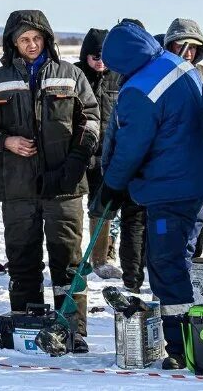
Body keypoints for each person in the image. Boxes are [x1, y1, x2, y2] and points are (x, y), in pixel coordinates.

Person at [0, 10, 99, 353]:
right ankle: (26, 327)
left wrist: (77, 160)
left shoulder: (71, 75)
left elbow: (91, 119)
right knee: (22, 260)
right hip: (17, 188)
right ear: (13, 42)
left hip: (65, 187)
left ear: (47, 40)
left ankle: (72, 330)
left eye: (37, 39)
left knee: (69, 263)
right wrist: (5, 142)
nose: (31, 45)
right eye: (24, 39)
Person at [100, 19, 203, 369]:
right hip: (197, 183)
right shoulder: (176, 64)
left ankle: (182, 348)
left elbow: (130, 148)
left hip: (171, 188)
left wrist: (112, 186)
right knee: (182, 258)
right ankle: (198, 334)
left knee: (165, 264)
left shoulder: (140, 90)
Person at [74, 29, 124, 279]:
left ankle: (100, 259)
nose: (100, 62)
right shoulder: (75, 74)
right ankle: (73, 258)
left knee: (102, 208)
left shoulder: (120, 77)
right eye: (95, 57)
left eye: (104, 56)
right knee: (73, 208)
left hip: (108, 155)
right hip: (79, 154)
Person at [162, 18, 203, 258]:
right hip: (168, 165)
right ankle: (166, 284)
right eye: (180, 45)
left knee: (195, 229)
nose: (187, 52)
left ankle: (185, 282)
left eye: (193, 47)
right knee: (165, 232)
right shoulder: (159, 76)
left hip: (201, 163)